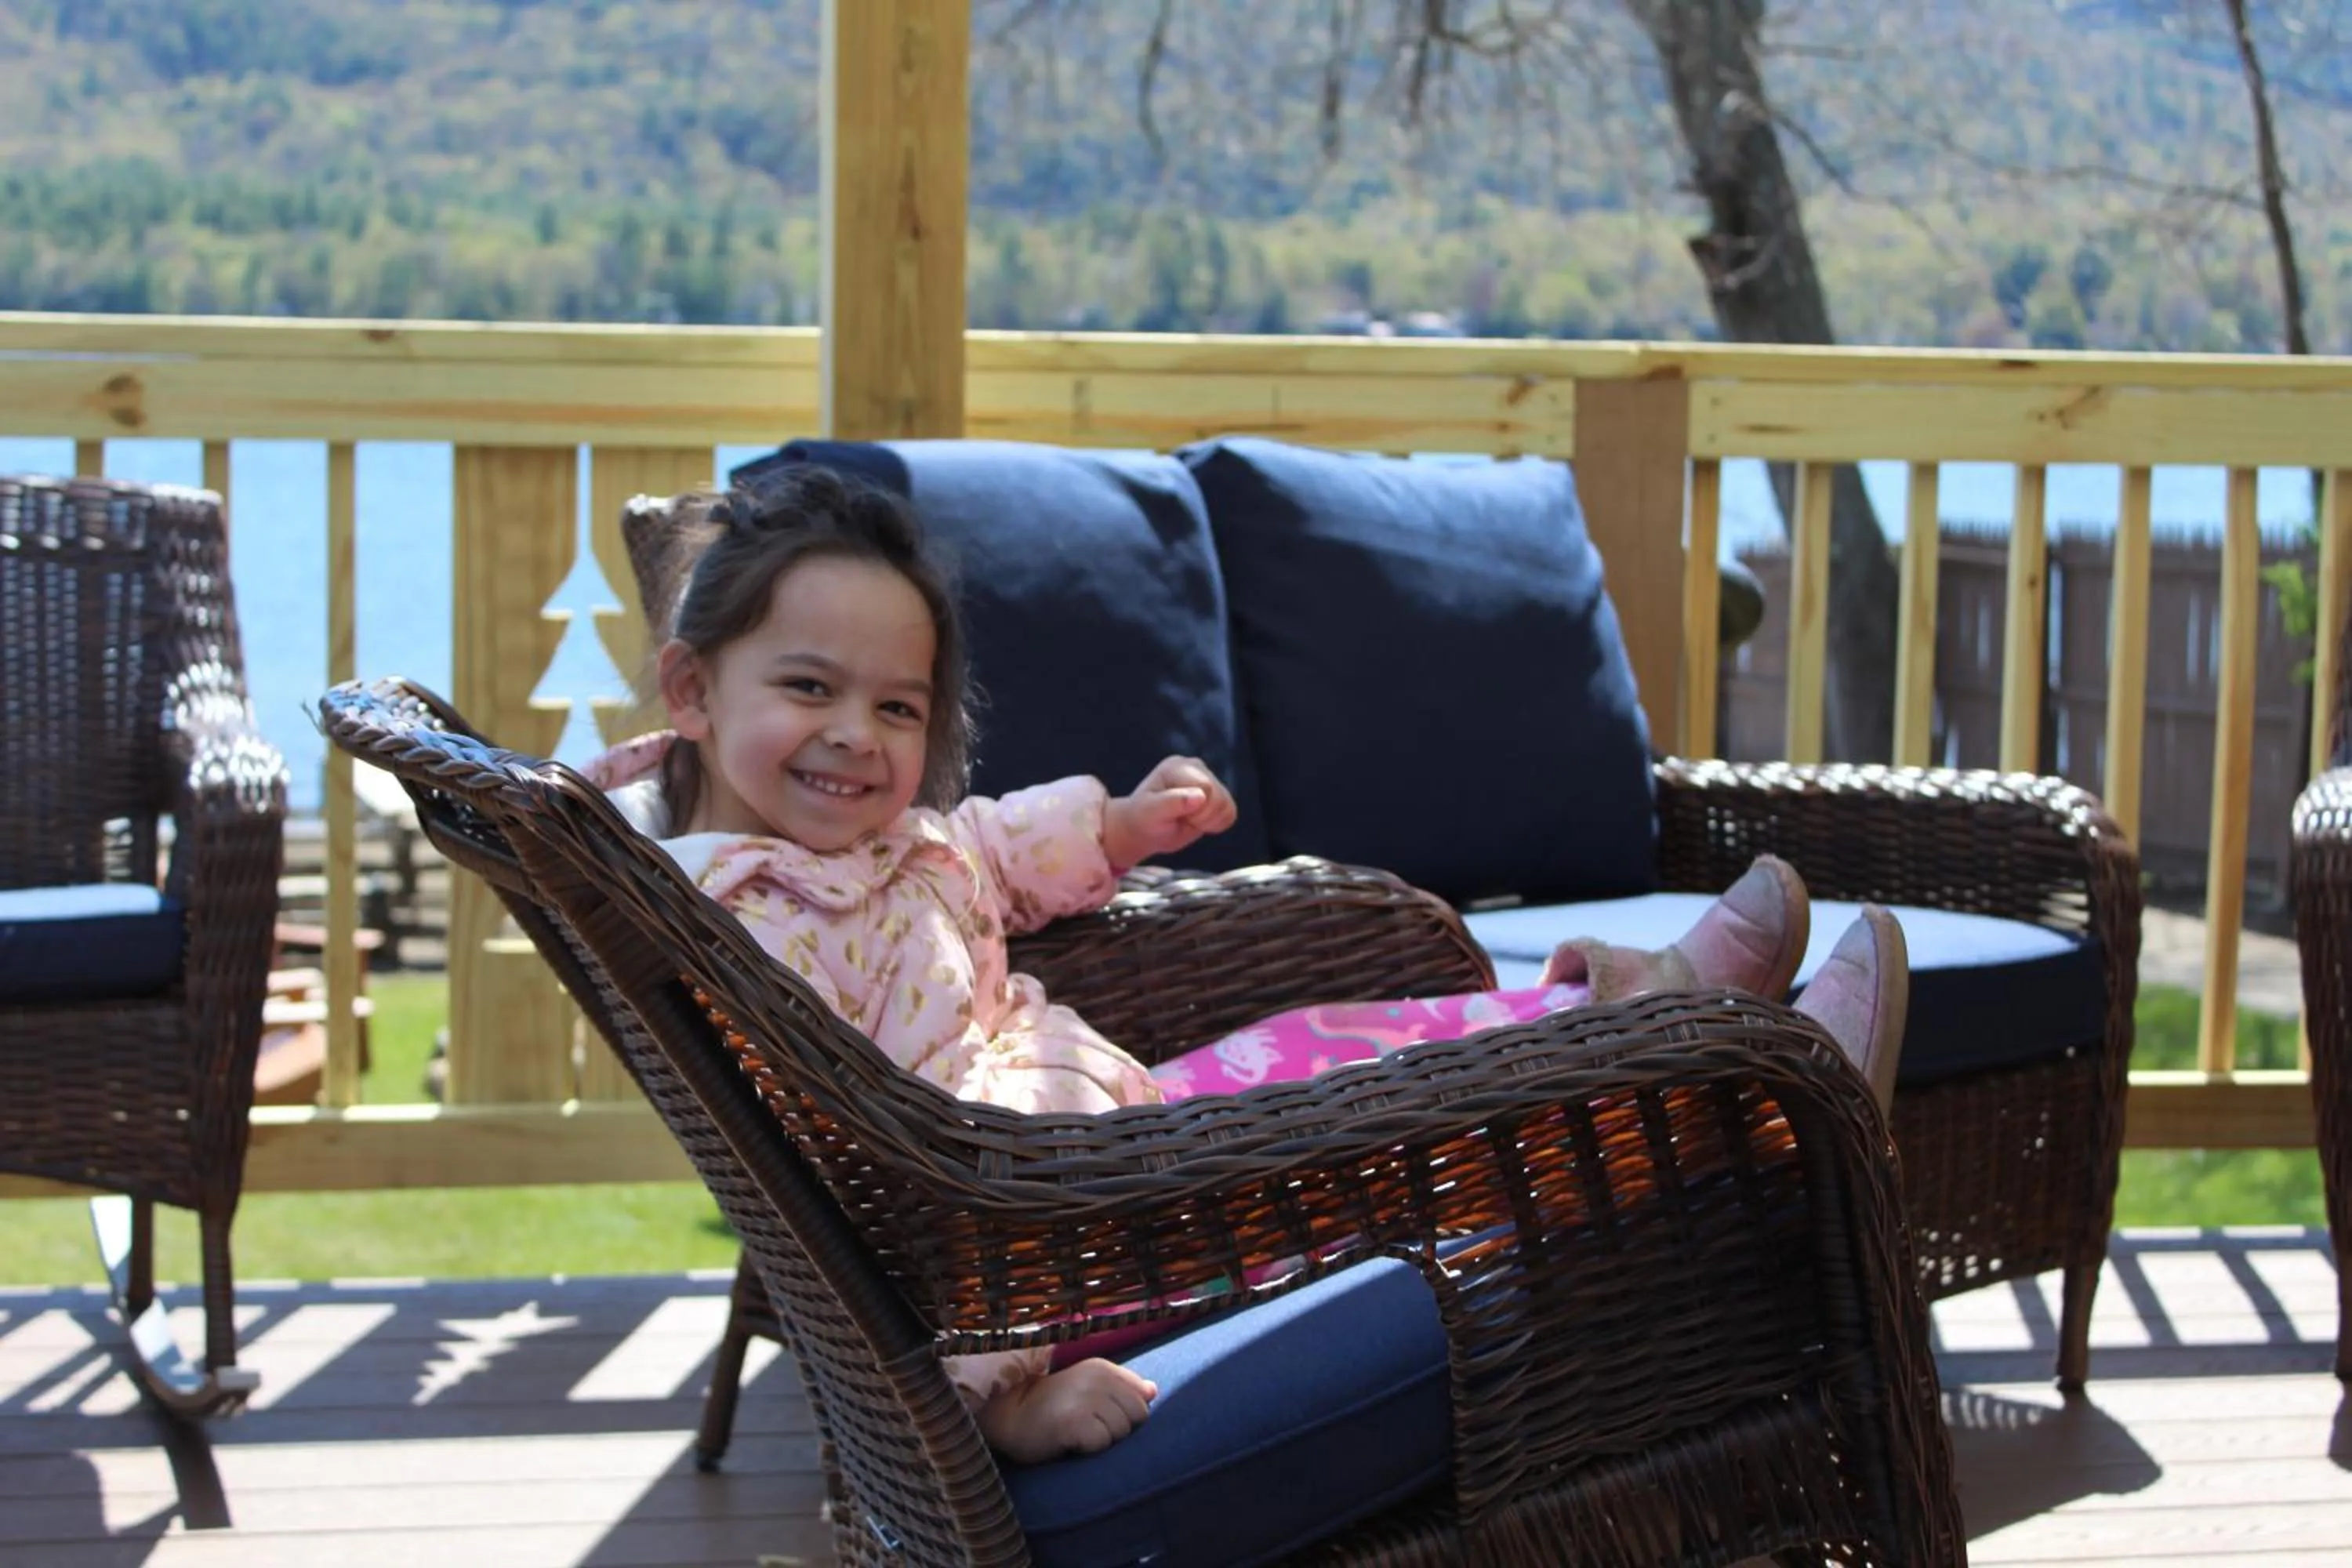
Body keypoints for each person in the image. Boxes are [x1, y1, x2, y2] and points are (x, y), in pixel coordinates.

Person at [583, 466, 1910, 1467]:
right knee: (1392, 1130)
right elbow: (852, 1188)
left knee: (1346, 1033)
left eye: (897, 706)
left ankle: (1647, 1011)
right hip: (1047, 1228)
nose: (855, 738)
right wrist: (994, 1392)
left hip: (1115, 1139)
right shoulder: (730, 922)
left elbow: (980, 847)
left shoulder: (889, 846)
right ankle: (1734, 1096)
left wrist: (1117, 826)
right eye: (808, 689)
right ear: (691, 691)